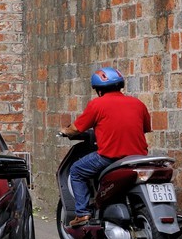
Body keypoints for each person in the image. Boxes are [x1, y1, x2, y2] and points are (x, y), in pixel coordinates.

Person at [61, 66, 152, 228]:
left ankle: (82, 214)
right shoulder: (138, 104)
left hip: (110, 157)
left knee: (76, 171)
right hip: (138, 158)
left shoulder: (97, 104)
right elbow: (144, 128)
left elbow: (76, 128)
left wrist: (65, 131)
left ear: (99, 89)